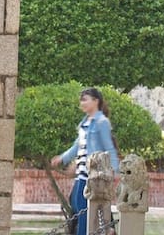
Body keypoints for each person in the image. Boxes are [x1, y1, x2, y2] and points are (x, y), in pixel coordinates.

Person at [49, 87, 118, 235]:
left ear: (96, 101)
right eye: (81, 100)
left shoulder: (102, 122)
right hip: (81, 175)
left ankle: (105, 229)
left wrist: (114, 171)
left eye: (85, 99)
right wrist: (62, 158)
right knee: (79, 208)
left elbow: (109, 148)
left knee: (83, 211)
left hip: (92, 176)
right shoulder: (84, 123)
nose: (82, 103)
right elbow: (76, 146)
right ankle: (107, 229)